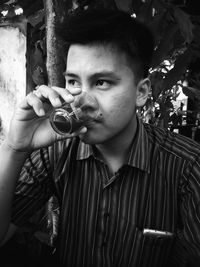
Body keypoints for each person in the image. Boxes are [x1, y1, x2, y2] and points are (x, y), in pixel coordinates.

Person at [0, 8, 200, 267]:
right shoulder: (56, 151)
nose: (83, 101)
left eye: (102, 82)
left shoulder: (188, 167)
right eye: (73, 81)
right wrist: (14, 147)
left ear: (141, 92)